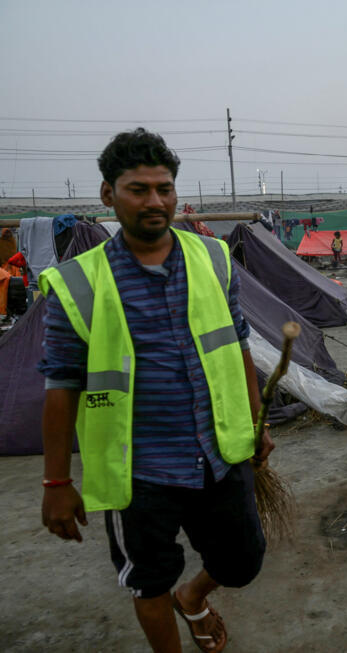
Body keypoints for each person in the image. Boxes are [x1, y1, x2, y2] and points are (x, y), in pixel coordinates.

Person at [38, 128, 273, 653]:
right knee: (148, 579)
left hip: (218, 451)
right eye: (138, 189)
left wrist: (256, 424)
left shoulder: (212, 258)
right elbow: (61, 385)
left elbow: (236, 346)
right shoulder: (78, 283)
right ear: (107, 195)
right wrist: (56, 481)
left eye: (164, 188)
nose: (155, 201)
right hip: (137, 470)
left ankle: (194, 595)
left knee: (242, 562)